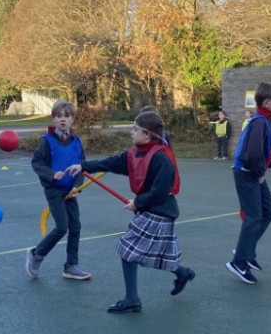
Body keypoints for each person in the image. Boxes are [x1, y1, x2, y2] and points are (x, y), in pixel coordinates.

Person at [64, 110, 195, 313]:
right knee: (160, 255)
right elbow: (111, 163)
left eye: (135, 129)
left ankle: (132, 299)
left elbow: (160, 191)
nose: (131, 132)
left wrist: (138, 203)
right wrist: (83, 166)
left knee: (128, 251)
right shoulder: (135, 151)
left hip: (159, 211)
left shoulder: (161, 158)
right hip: (151, 211)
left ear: (148, 134)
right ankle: (183, 272)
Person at [225, 82, 271, 285]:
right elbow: (251, 155)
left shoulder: (265, 121)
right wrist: (259, 173)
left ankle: (246, 249)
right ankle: (238, 262)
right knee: (253, 217)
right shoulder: (259, 122)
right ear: (267, 102)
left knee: (269, 210)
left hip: (254, 172)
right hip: (247, 173)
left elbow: (262, 152)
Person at [26, 100, 92, 281]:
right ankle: (36, 255)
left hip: (70, 191)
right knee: (62, 227)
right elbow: (37, 163)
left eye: (67, 116)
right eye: (58, 116)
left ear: (72, 119)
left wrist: (76, 187)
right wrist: (52, 174)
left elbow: (82, 167)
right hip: (54, 191)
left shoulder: (76, 141)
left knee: (76, 227)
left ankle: (71, 265)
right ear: (54, 119)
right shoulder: (46, 141)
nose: (62, 119)